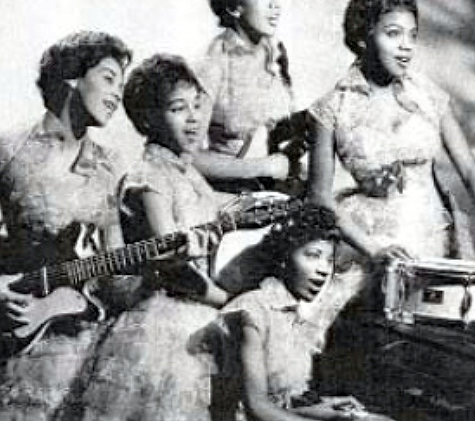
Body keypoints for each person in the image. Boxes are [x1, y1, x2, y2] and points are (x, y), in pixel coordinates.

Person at [77, 54, 242, 421]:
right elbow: (175, 270)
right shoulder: (150, 176)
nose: (194, 118)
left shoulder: (188, 173)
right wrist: (230, 301)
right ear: (150, 118)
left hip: (203, 309)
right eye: (178, 108)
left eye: (197, 105)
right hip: (168, 322)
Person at [0, 31, 132, 420]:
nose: (116, 94)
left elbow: (115, 265)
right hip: (17, 336)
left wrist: (164, 264)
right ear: (73, 76)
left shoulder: (111, 165)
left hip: (87, 341)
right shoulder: (9, 150)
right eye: (109, 78)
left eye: (122, 86)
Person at [307, 0, 475, 269]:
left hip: (436, 238)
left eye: (412, 35)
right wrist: (374, 250)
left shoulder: (427, 94)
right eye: (393, 34)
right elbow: (319, 197)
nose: (406, 46)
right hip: (366, 244)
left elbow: (470, 170)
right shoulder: (331, 108)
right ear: (363, 38)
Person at [189, 205, 392, 421]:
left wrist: (327, 409)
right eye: (313, 255)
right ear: (284, 257)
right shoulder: (251, 311)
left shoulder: (293, 315)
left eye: (329, 260)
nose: (323, 269)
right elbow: (255, 409)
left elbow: (279, 405)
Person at [195, 0, 306, 194]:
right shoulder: (214, 64)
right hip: (232, 198)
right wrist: (261, 166)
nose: (275, 5)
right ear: (235, 6)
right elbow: (187, 157)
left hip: (283, 191)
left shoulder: (276, 55)